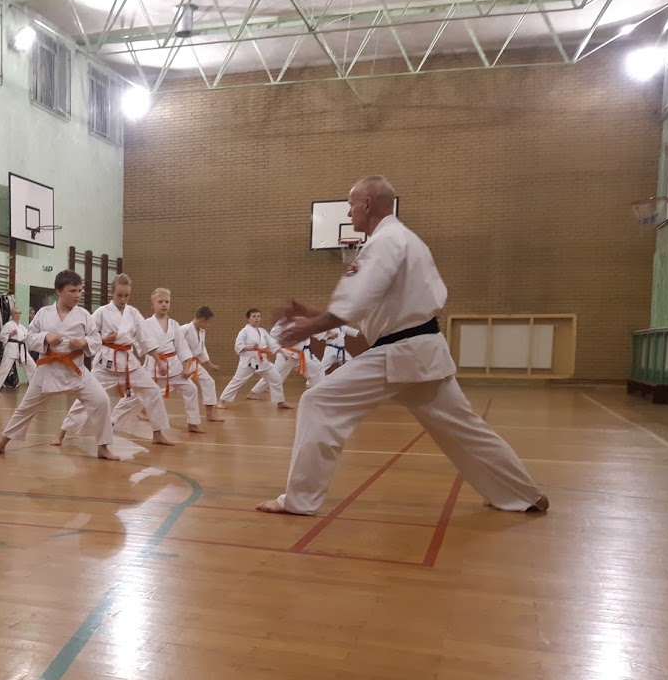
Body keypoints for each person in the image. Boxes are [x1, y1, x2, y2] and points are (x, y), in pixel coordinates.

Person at [258, 175, 548, 515]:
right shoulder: (408, 240)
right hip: (423, 350)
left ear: (367, 204)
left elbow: (354, 303)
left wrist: (309, 327)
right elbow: (376, 307)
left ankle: (300, 501)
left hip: (400, 352)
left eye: (351, 204)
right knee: (465, 429)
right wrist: (312, 313)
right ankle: (525, 494)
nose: (349, 212)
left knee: (318, 402)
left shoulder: (383, 242)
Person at [0, 270, 119, 461]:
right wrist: (46, 338)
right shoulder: (44, 313)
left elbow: (96, 339)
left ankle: (103, 447)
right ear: (59, 291)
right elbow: (29, 337)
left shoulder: (84, 315)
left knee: (101, 400)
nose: (77, 295)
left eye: (80, 290)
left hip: (76, 371)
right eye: (72, 291)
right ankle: (1, 443)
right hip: (47, 371)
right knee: (25, 409)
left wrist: (84, 342)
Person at [55, 273, 174, 446]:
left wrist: (158, 360)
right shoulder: (102, 312)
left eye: (127, 295)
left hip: (128, 363)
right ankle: (62, 433)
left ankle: (158, 433)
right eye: (120, 295)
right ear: (112, 293)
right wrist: (104, 339)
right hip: (106, 363)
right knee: (86, 397)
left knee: (153, 391)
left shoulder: (133, 313)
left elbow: (145, 338)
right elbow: (87, 335)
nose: (123, 299)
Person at [141, 288, 203, 433]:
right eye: (160, 302)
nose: (164, 304)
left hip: (173, 367)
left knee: (191, 389)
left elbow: (182, 347)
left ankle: (193, 423)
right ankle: (113, 420)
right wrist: (157, 360)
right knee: (136, 395)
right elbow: (142, 345)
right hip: (154, 367)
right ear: (152, 305)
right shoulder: (146, 324)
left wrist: (186, 367)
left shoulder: (174, 324)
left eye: (167, 302)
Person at [218, 309, 295, 409]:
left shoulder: (262, 331)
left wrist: (282, 352)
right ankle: (221, 401)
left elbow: (272, 344)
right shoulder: (244, 331)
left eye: (258, 316)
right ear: (249, 318)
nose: (256, 318)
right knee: (237, 380)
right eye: (254, 316)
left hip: (262, 360)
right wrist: (250, 348)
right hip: (249, 361)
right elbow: (238, 346)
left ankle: (280, 402)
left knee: (276, 378)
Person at [179, 306, 225, 423]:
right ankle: (145, 411)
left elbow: (202, 350)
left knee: (209, 382)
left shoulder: (201, 331)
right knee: (166, 387)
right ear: (203, 319)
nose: (209, 325)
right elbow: (175, 347)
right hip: (180, 364)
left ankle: (209, 414)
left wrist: (210, 365)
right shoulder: (184, 329)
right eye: (209, 322)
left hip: (193, 363)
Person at [0, 307, 36, 390]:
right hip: (11, 348)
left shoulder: (22, 327)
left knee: (32, 366)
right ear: (12, 315)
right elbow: (1, 337)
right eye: (16, 313)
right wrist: (10, 334)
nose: (18, 315)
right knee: (4, 368)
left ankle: (35, 386)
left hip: (21, 349)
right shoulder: (8, 325)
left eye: (19, 313)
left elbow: (27, 337)